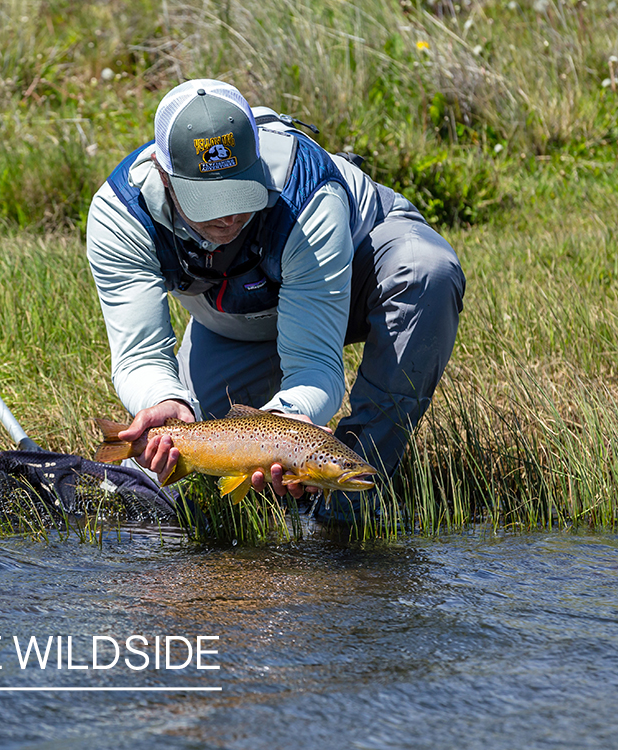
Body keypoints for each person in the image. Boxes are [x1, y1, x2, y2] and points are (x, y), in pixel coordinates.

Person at [84, 78, 466, 525]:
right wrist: (165, 398)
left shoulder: (307, 192)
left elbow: (313, 363)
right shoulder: (119, 214)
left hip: (360, 278)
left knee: (427, 270)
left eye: (240, 193)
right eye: (207, 202)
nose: (228, 216)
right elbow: (140, 355)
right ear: (164, 175)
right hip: (237, 325)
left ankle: (351, 496)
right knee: (179, 470)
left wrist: (284, 424)